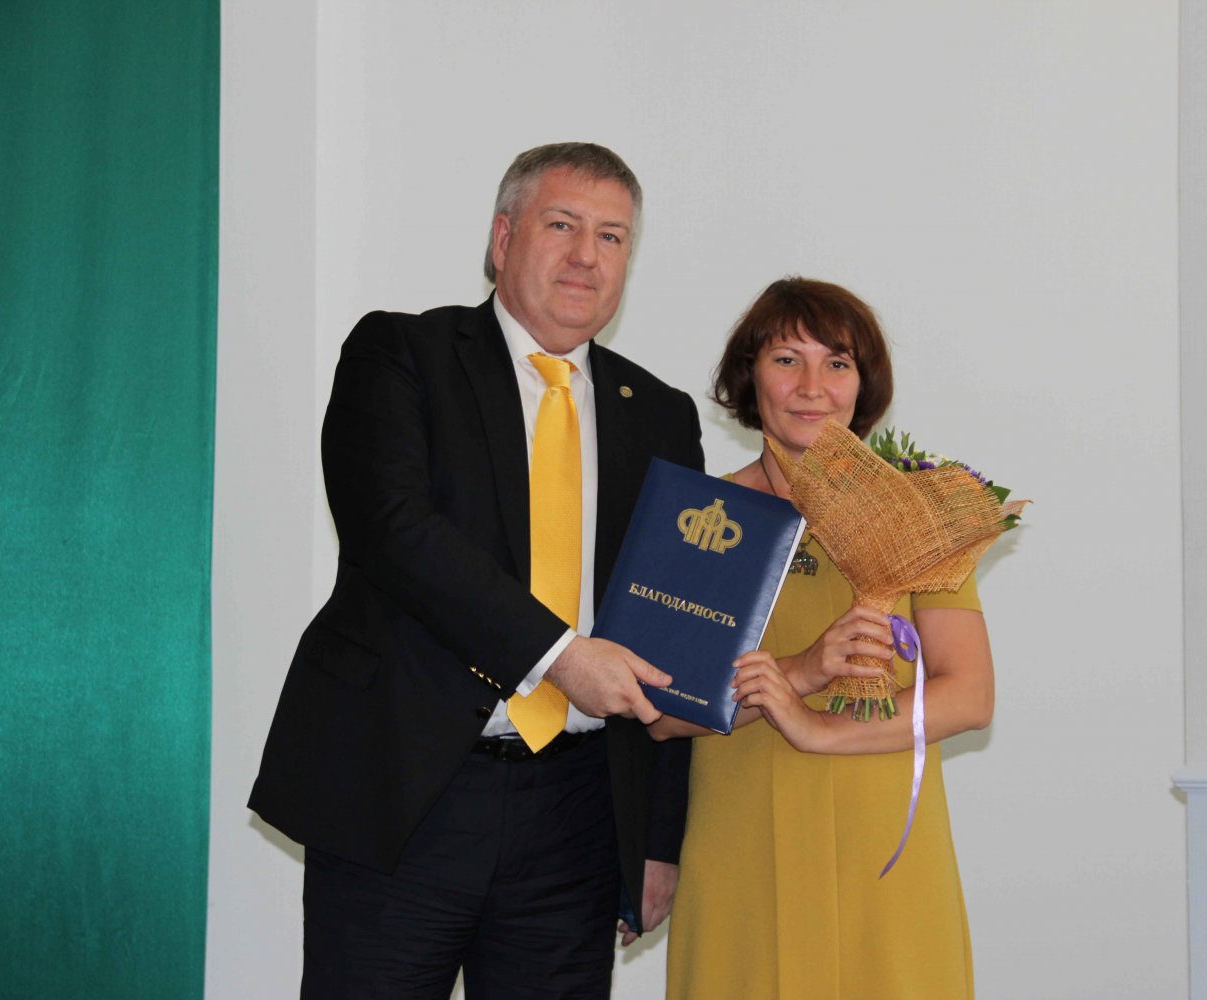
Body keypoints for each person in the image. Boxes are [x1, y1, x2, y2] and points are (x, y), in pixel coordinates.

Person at [248, 142, 704, 998]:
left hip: (578, 817)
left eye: (612, 237)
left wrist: (655, 839)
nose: (587, 255)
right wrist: (561, 657)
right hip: (408, 790)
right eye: (561, 225)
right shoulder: (401, 354)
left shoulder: (661, 414)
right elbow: (395, 532)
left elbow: (670, 628)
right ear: (502, 239)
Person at [654, 278, 994, 1000]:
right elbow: (660, 714)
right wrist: (799, 673)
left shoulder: (918, 511)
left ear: (864, 384)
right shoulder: (703, 516)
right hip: (741, 844)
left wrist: (818, 730)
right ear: (750, 377)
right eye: (786, 360)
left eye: (837, 363)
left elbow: (969, 696)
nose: (812, 387)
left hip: (885, 848)